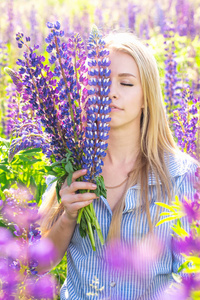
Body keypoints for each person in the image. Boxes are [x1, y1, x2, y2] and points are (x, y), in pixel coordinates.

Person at [39, 32, 197, 300]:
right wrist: (67, 217)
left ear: (147, 97)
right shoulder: (72, 166)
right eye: (100, 82)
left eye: (125, 83)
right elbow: (40, 263)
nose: (110, 92)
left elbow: (190, 276)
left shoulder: (180, 175)